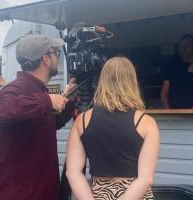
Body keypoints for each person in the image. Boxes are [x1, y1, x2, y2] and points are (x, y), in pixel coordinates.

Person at [66, 57, 159, 200]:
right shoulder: (146, 123)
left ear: (102, 81)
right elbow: (145, 179)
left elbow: (72, 172)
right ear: (132, 82)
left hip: (98, 194)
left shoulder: (82, 120)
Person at [0, 34, 77, 200]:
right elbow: (1, 111)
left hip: (41, 191)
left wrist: (69, 102)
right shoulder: (16, 89)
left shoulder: (38, 91)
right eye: (56, 53)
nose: (58, 58)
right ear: (46, 59)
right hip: (20, 194)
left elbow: (45, 126)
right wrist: (47, 100)